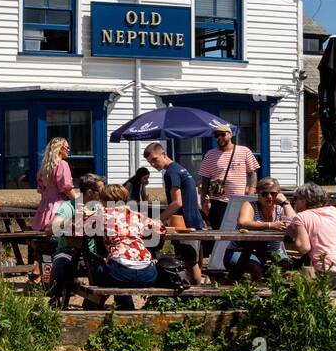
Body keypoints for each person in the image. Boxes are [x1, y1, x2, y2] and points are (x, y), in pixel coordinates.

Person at [89, 185, 163, 310]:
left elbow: (76, 226)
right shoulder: (137, 215)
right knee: (117, 264)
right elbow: (161, 228)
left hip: (120, 273)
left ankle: (94, 304)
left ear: (104, 200)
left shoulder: (103, 213)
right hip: (148, 274)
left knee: (97, 266)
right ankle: (125, 307)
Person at [144, 143, 204, 286]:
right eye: (150, 162)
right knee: (192, 262)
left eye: (155, 159)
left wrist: (157, 220)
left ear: (164, 154)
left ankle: (196, 296)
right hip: (194, 221)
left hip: (186, 225)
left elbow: (177, 202)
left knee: (191, 264)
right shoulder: (180, 169)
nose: (153, 164)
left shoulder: (171, 173)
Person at [287, 182, 336, 290]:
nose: (294, 203)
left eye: (295, 199)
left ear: (304, 201)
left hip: (331, 276)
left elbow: (303, 248)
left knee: (287, 278)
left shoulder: (301, 217)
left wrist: (296, 236)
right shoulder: (333, 211)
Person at [48, 173, 106, 304]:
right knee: (60, 269)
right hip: (68, 251)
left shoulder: (98, 206)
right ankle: (55, 302)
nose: (104, 193)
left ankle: (93, 302)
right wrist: (72, 220)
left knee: (111, 271)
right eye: (101, 191)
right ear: (90, 192)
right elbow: (48, 230)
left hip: (92, 253)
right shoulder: (68, 206)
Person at [228, 177, 295, 280]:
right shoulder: (250, 205)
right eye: (265, 194)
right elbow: (243, 222)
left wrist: (285, 202)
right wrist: (270, 225)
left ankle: (276, 294)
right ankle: (257, 295)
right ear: (258, 194)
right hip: (241, 251)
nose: (269, 197)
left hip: (272, 252)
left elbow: (295, 223)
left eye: (273, 194)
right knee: (256, 268)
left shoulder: (280, 209)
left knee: (287, 266)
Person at [197, 125, 260, 229]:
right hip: (217, 201)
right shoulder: (210, 154)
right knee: (220, 232)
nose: (219, 138)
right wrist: (203, 200)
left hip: (239, 200)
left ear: (230, 135)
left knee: (239, 230)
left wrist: (250, 195)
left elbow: (252, 173)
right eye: (217, 135)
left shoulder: (244, 151)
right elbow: (205, 179)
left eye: (222, 134)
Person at [31, 137, 78, 232]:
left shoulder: (44, 168)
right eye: (67, 147)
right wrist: (79, 202)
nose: (69, 150)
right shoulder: (62, 164)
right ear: (60, 149)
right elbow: (66, 188)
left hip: (44, 208)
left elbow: (42, 190)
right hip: (59, 206)